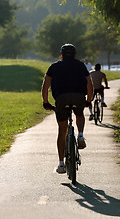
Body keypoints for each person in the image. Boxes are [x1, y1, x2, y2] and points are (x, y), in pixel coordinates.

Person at [42, 44, 93, 173]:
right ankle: (80, 135)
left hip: (61, 98)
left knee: (62, 131)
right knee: (79, 114)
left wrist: (46, 102)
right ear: (75, 54)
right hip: (78, 97)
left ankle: (60, 164)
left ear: (62, 55)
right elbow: (89, 85)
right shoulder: (81, 66)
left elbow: (45, 86)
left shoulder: (54, 66)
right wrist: (88, 100)